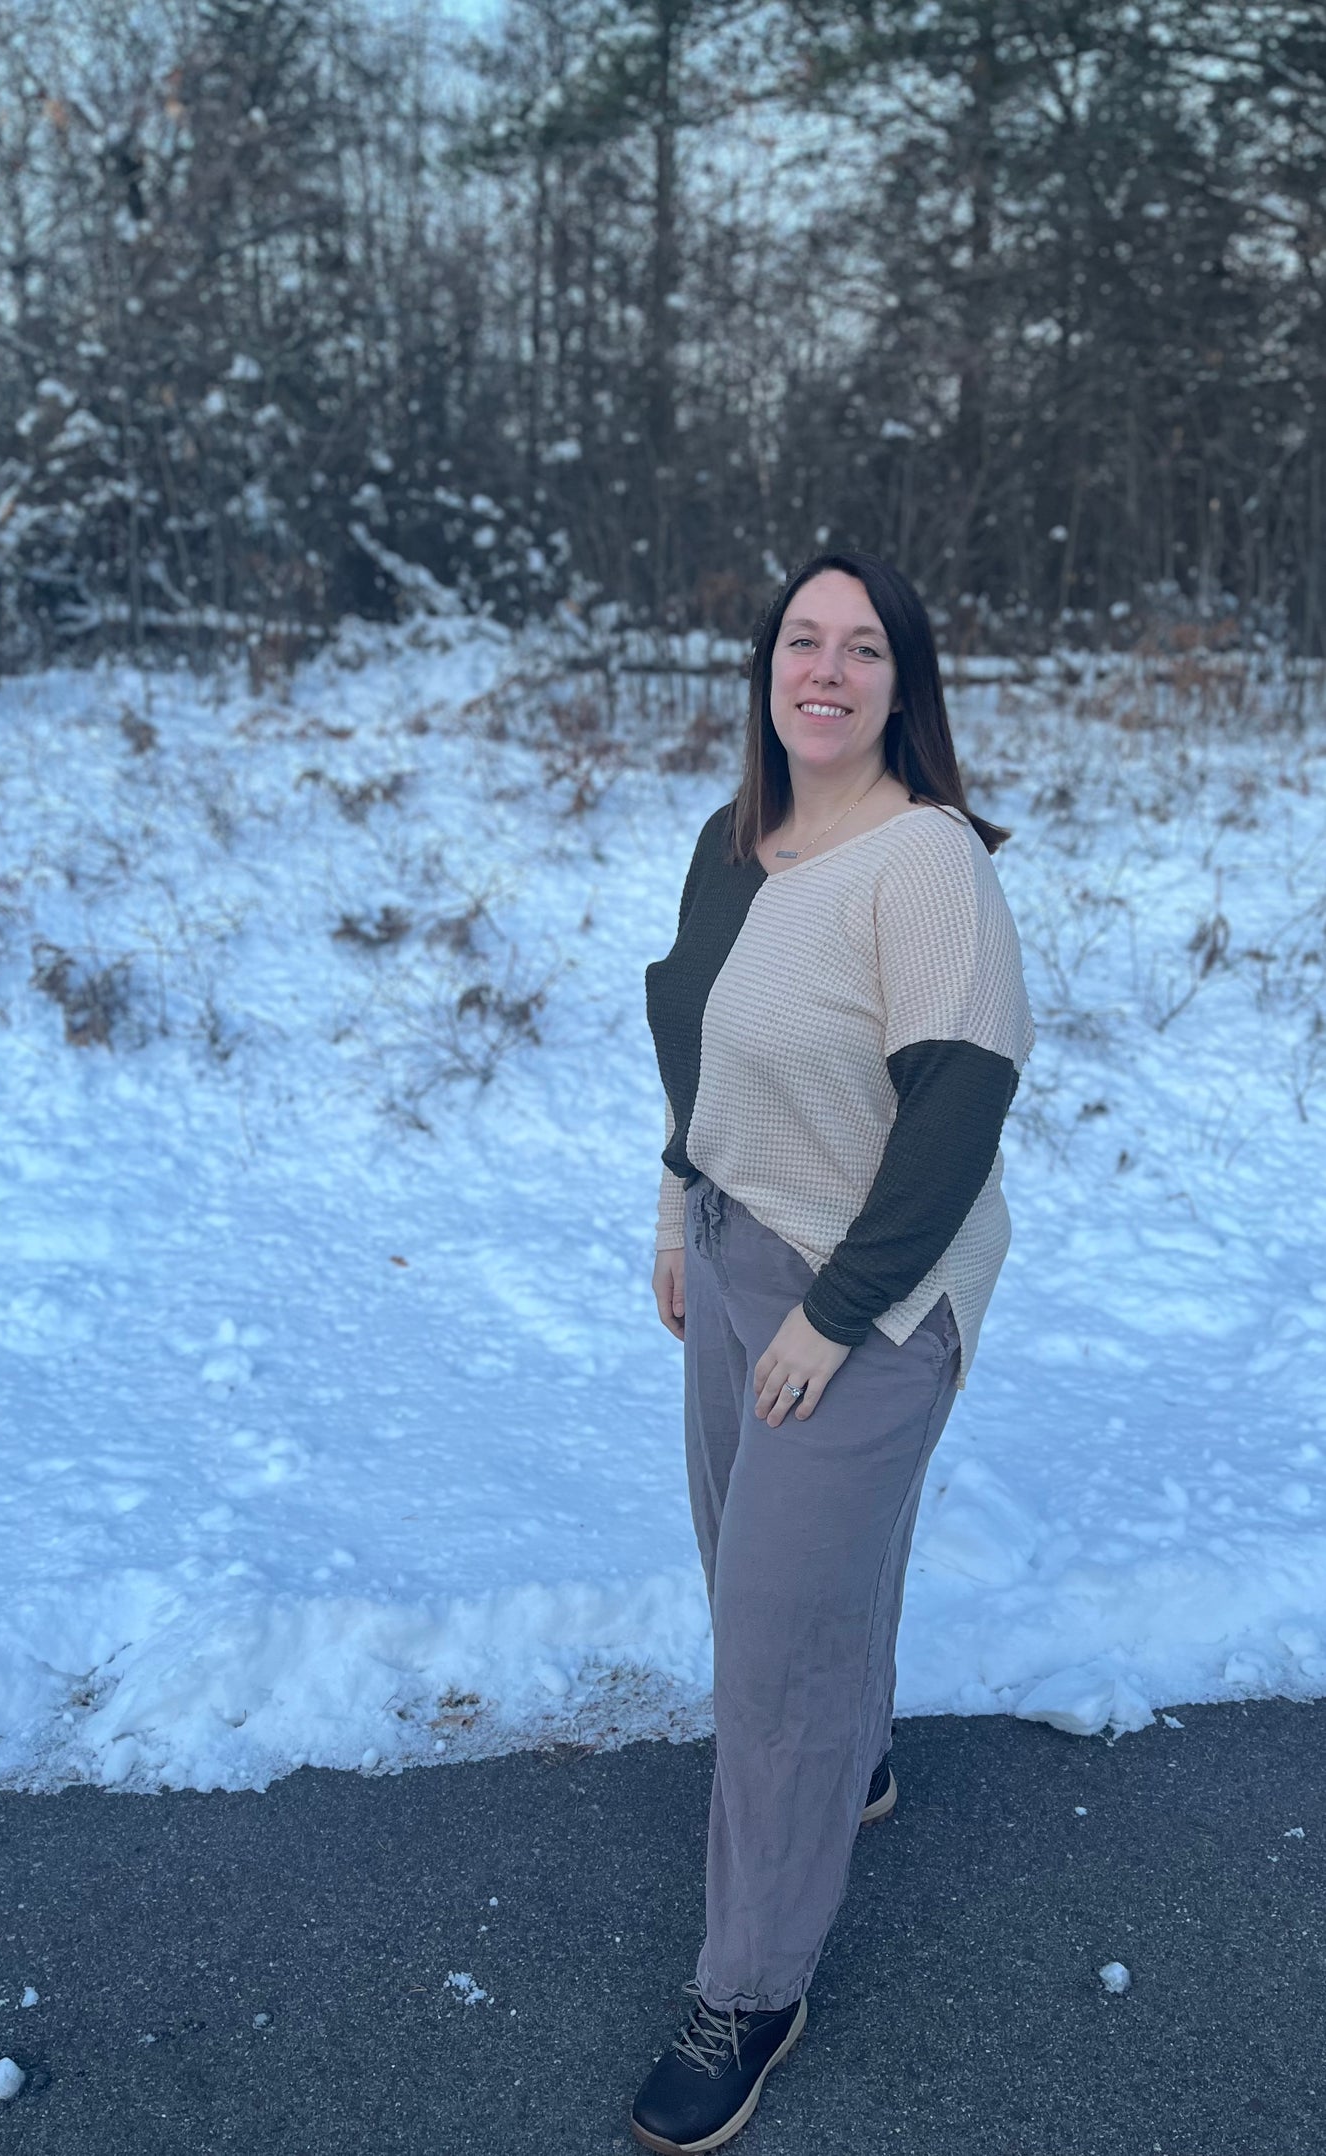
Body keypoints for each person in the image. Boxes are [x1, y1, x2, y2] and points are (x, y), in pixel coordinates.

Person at [631, 549, 1035, 2154]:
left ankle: (753, 1985)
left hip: (868, 1288)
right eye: (804, 639)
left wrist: (834, 1312)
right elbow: (700, 1053)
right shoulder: (735, 848)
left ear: (902, 685)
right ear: (767, 669)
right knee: (755, 1562)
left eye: (864, 647)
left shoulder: (927, 867)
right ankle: (855, 1758)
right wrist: (676, 1210)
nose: (827, 667)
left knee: (773, 1650)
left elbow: (956, 1119)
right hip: (732, 1250)